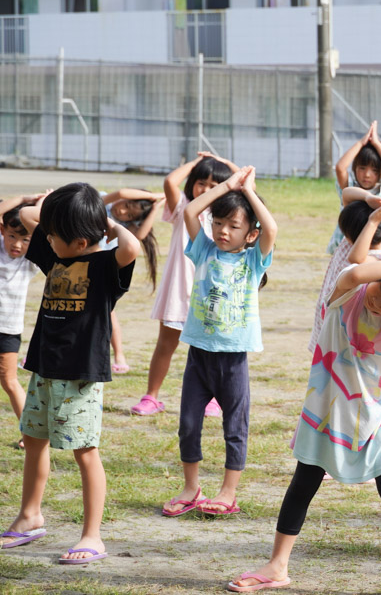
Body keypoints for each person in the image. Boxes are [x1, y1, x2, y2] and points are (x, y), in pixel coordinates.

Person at [226, 257, 381, 594]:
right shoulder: (349, 290)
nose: (380, 302)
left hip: (376, 414)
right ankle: (277, 566)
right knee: (304, 481)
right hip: (328, 408)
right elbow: (361, 273)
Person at [1, 183, 138, 561]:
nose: (46, 238)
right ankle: (30, 515)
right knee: (33, 440)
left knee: (85, 452)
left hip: (80, 377)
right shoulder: (56, 253)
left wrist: (107, 224)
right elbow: (30, 218)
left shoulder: (106, 267)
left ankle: (92, 535)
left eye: (55, 234)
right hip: (44, 367)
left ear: (79, 241)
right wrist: (48, 207)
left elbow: (132, 248)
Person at [161, 167, 277, 518]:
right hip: (199, 355)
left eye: (234, 226)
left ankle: (228, 492)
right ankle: (190, 487)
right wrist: (228, 186)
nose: (223, 232)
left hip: (233, 358)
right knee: (188, 424)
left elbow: (271, 228)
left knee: (234, 427)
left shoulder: (254, 260)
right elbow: (191, 210)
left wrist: (250, 192)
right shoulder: (203, 250)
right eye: (219, 224)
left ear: (250, 234)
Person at [131, 152, 235, 417]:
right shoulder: (183, 208)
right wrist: (197, 162)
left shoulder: (226, 214)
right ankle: (151, 396)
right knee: (166, 344)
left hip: (210, 291)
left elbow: (248, 184)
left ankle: (212, 398)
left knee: (208, 349)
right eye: (202, 182)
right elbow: (170, 182)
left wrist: (221, 160)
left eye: (214, 185)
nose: (206, 190)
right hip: (179, 289)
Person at [309, 189, 381, 355]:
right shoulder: (349, 243)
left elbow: (356, 260)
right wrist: (369, 198)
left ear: (352, 235)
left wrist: (372, 222)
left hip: (342, 330)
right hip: (327, 316)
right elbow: (346, 193)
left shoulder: (377, 259)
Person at [99, 188, 165, 375]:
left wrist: (154, 208)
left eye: (130, 215)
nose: (123, 212)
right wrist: (151, 196)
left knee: (108, 312)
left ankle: (119, 355)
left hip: (103, 272)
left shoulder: (125, 227)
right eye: (126, 206)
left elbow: (141, 235)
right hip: (83, 264)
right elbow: (120, 192)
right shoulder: (102, 205)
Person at [0, 196, 42, 450]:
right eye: (13, 236)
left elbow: (45, 230)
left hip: (8, 329)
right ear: (3, 231)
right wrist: (25, 199)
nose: (17, 244)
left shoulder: (30, 262)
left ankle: (30, 432)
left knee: (9, 380)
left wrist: (42, 203)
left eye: (25, 239)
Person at [328, 120, 381, 254]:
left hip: (378, 248)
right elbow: (340, 167)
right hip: (350, 247)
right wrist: (361, 142)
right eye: (362, 168)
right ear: (354, 168)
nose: (367, 174)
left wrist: (377, 143)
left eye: (374, 170)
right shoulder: (349, 189)